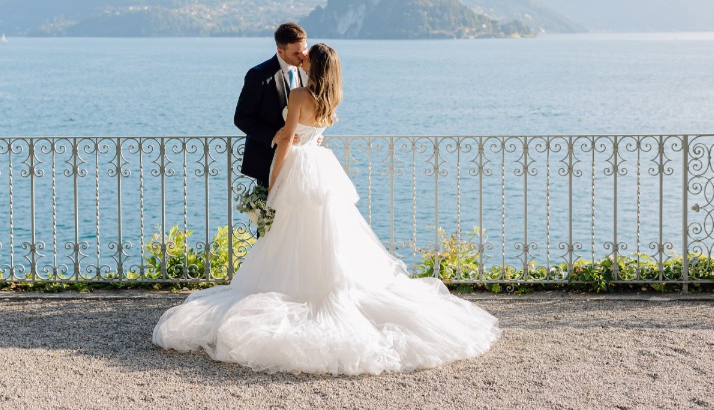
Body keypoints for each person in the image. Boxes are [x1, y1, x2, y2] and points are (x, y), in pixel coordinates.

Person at [153, 43, 500, 375]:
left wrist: (273, 182)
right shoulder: (331, 95)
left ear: (313, 64)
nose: (301, 56)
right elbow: (312, 130)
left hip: (299, 168)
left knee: (291, 230)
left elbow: (288, 139)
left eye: (307, 55)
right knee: (328, 231)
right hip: (320, 165)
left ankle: (298, 286)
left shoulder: (299, 95)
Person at [233, 22, 309, 190]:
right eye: (296, 53)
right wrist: (274, 135)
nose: (303, 56)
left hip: (301, 160)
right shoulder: (259, 75)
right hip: (269, 161)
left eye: (304, 50)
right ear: (280, 51)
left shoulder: (307, 70)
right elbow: (241, 118)